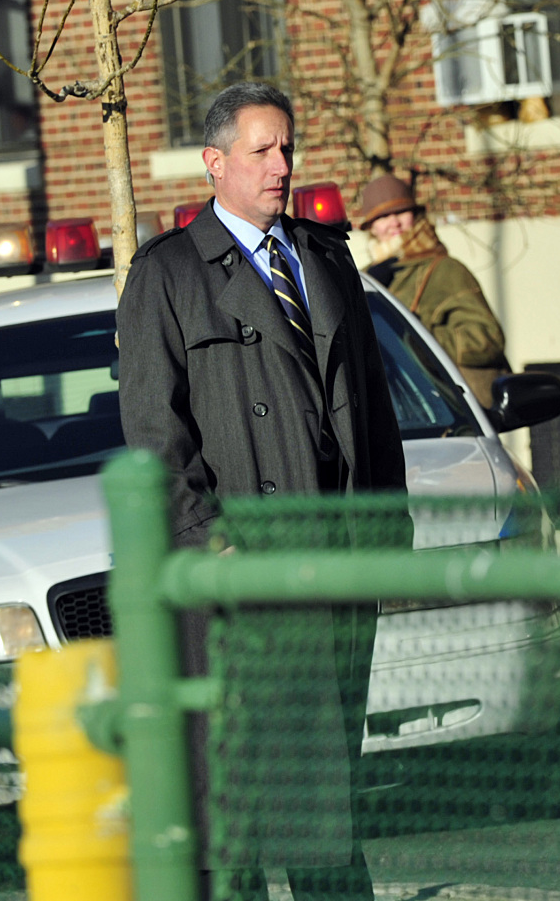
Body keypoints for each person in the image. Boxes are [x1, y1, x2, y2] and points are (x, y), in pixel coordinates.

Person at [118, 82, 407, 899]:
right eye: (262, 151)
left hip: (339, 574)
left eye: (287, 148)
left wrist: (387, 529)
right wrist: (216, 546)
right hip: (241, 594)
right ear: (215, 164)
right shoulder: (168, 276)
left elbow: (374, 412)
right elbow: (153, 439)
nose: (282, 166)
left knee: (328, 813)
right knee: (239, 818)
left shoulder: (326, 257)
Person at [352, 173, 510, 407]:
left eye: (401, 212)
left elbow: (489, 338)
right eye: (383, 216)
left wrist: (422, 339)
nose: (394, 222)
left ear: (416, 216)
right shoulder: (366, 278)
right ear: (371, 227)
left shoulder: (446, 270)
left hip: (453, 412)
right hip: (396, 411)